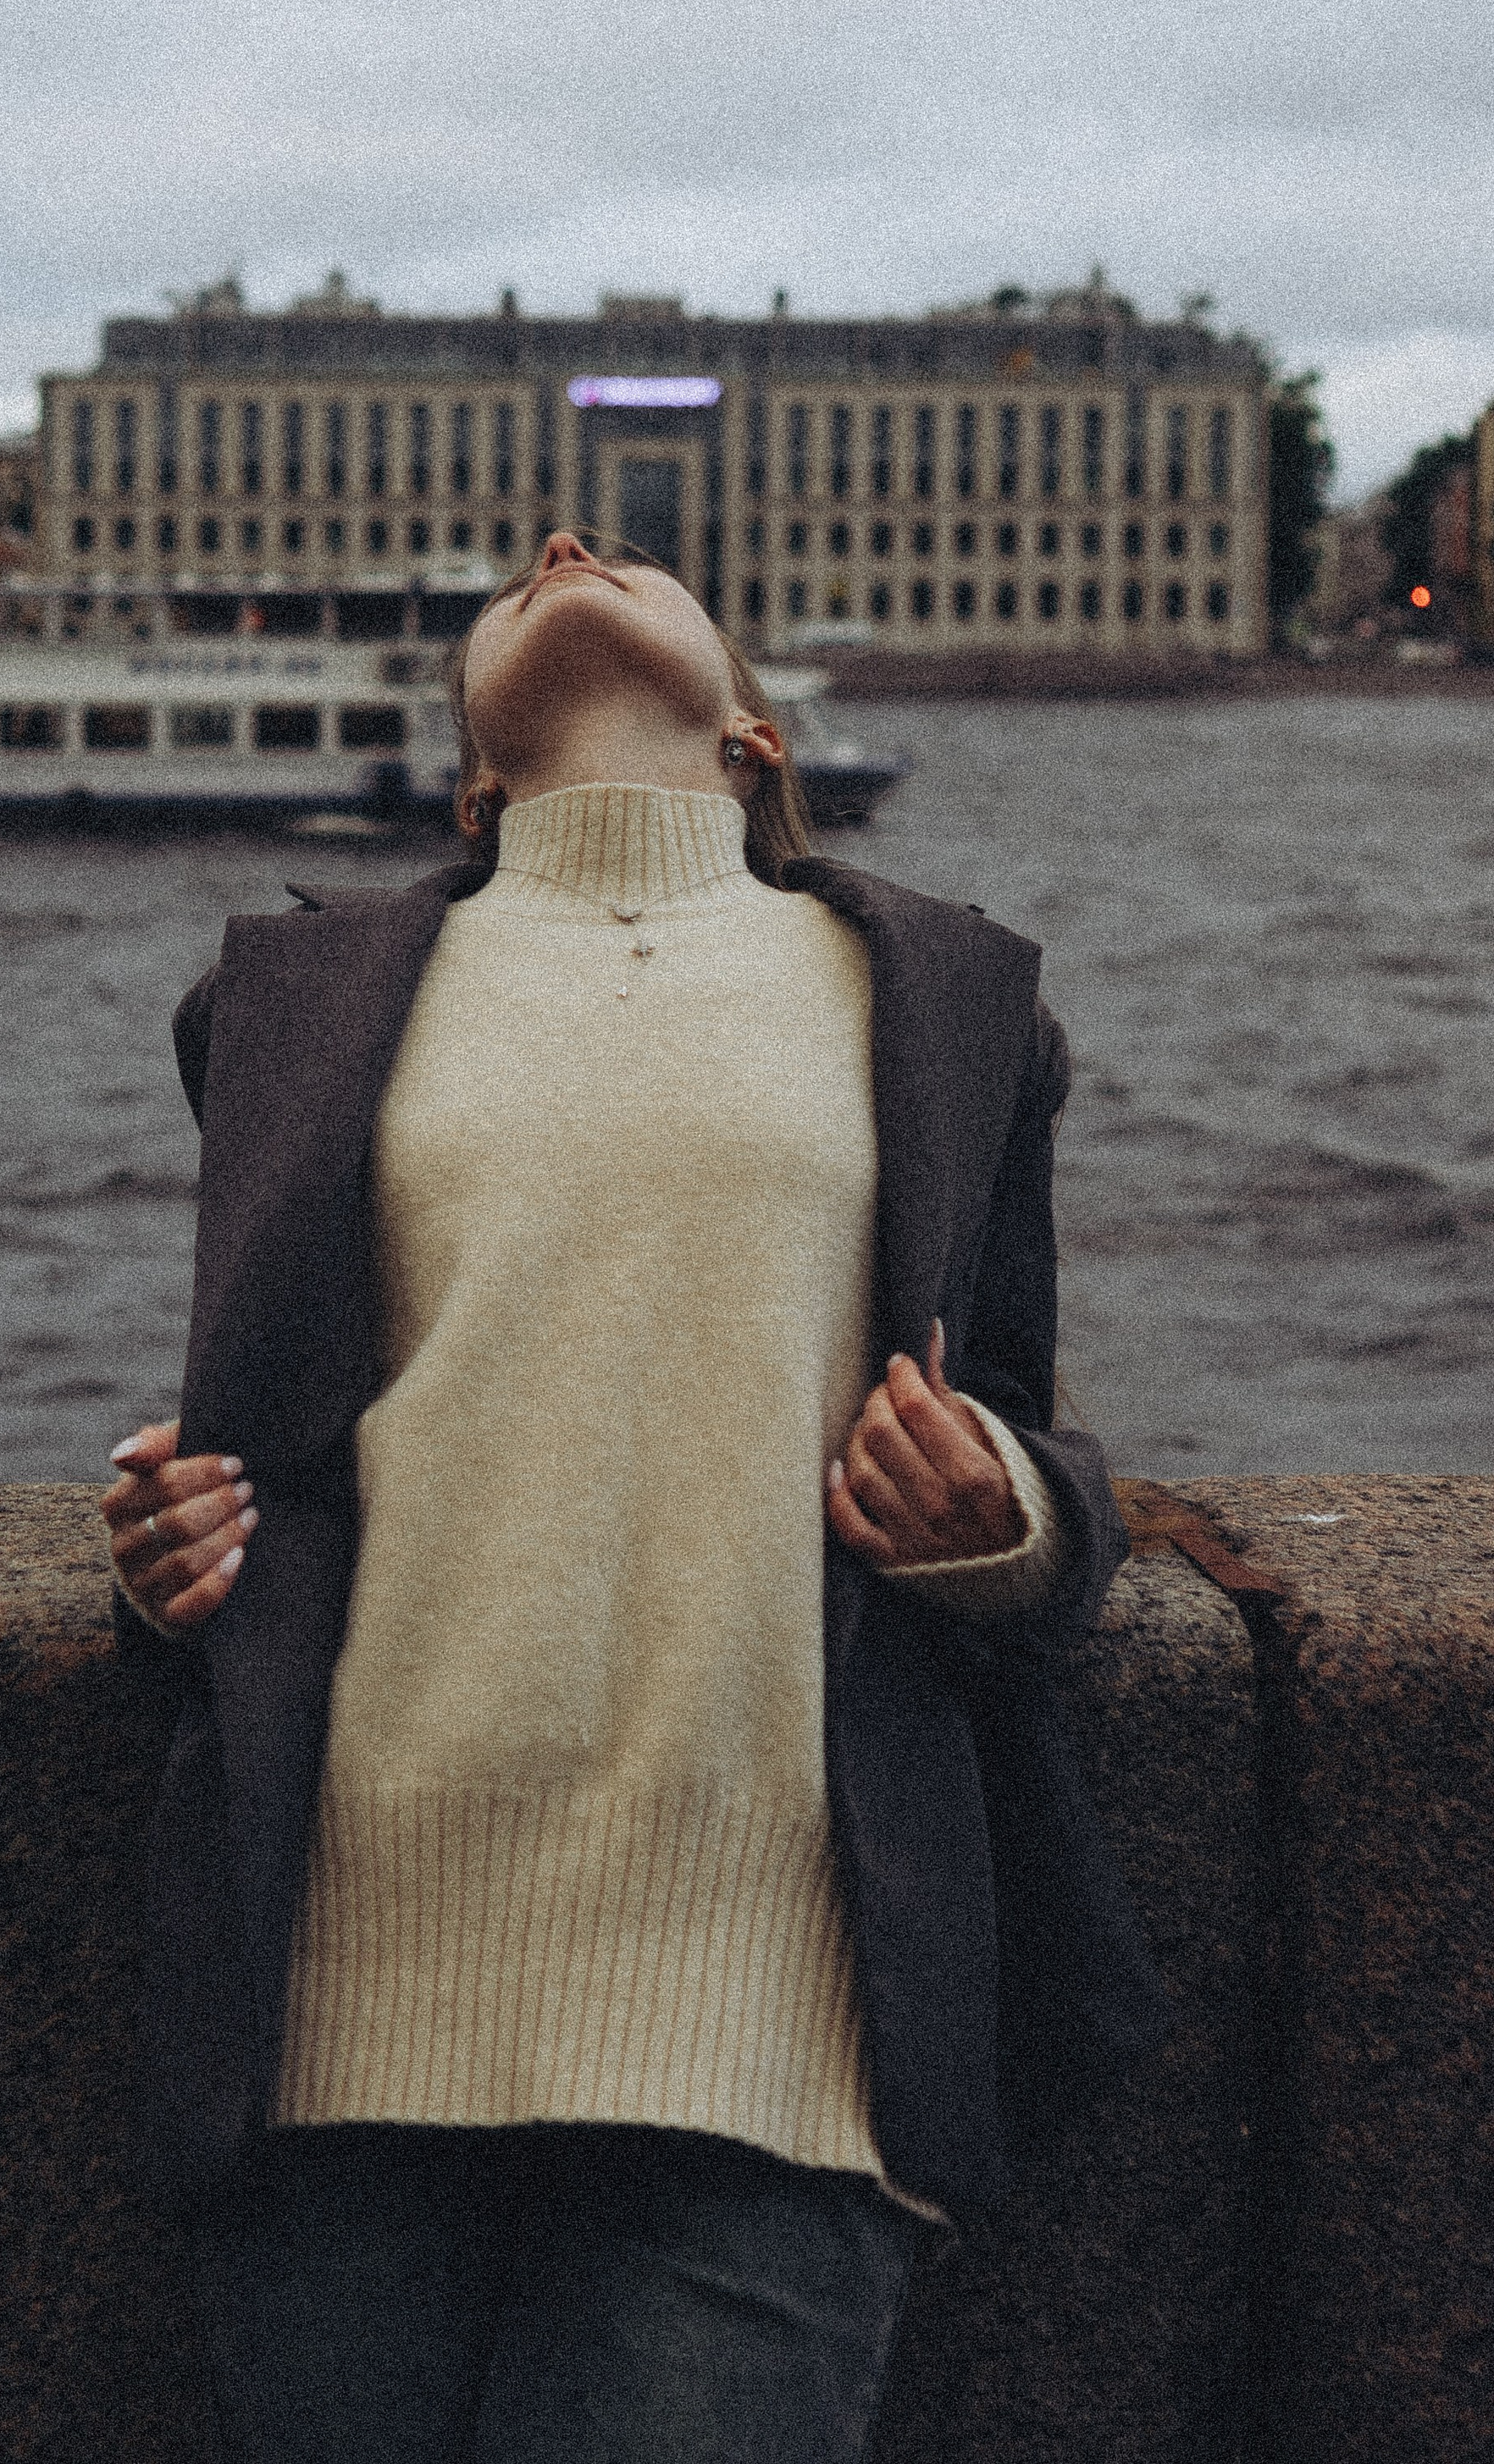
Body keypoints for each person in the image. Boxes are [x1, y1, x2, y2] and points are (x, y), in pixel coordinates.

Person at [104, 530, 1163, 2462]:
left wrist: (995, 1516)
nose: (565, 547)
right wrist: (169, 1556)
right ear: (469, 781)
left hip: (770, 2006)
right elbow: (275, 1458)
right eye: (522, 566)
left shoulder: (942, 1003)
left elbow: (1024, 1435)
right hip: (342, 1987)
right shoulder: (285, 1006)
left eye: (633, 557)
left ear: (754, 735)